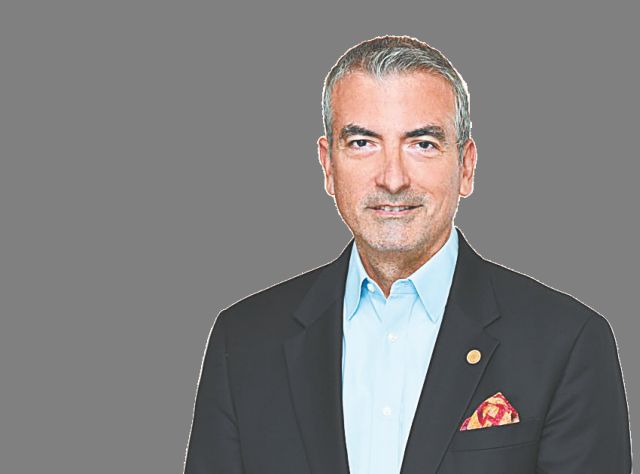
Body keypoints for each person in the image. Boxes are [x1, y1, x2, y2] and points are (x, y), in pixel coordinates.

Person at [183, 35, 632, 474]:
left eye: (422, 144)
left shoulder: (567, 342)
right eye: (362, 143)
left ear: (466, 166)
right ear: (328, 165)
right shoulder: (243, 341)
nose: (393, 178)